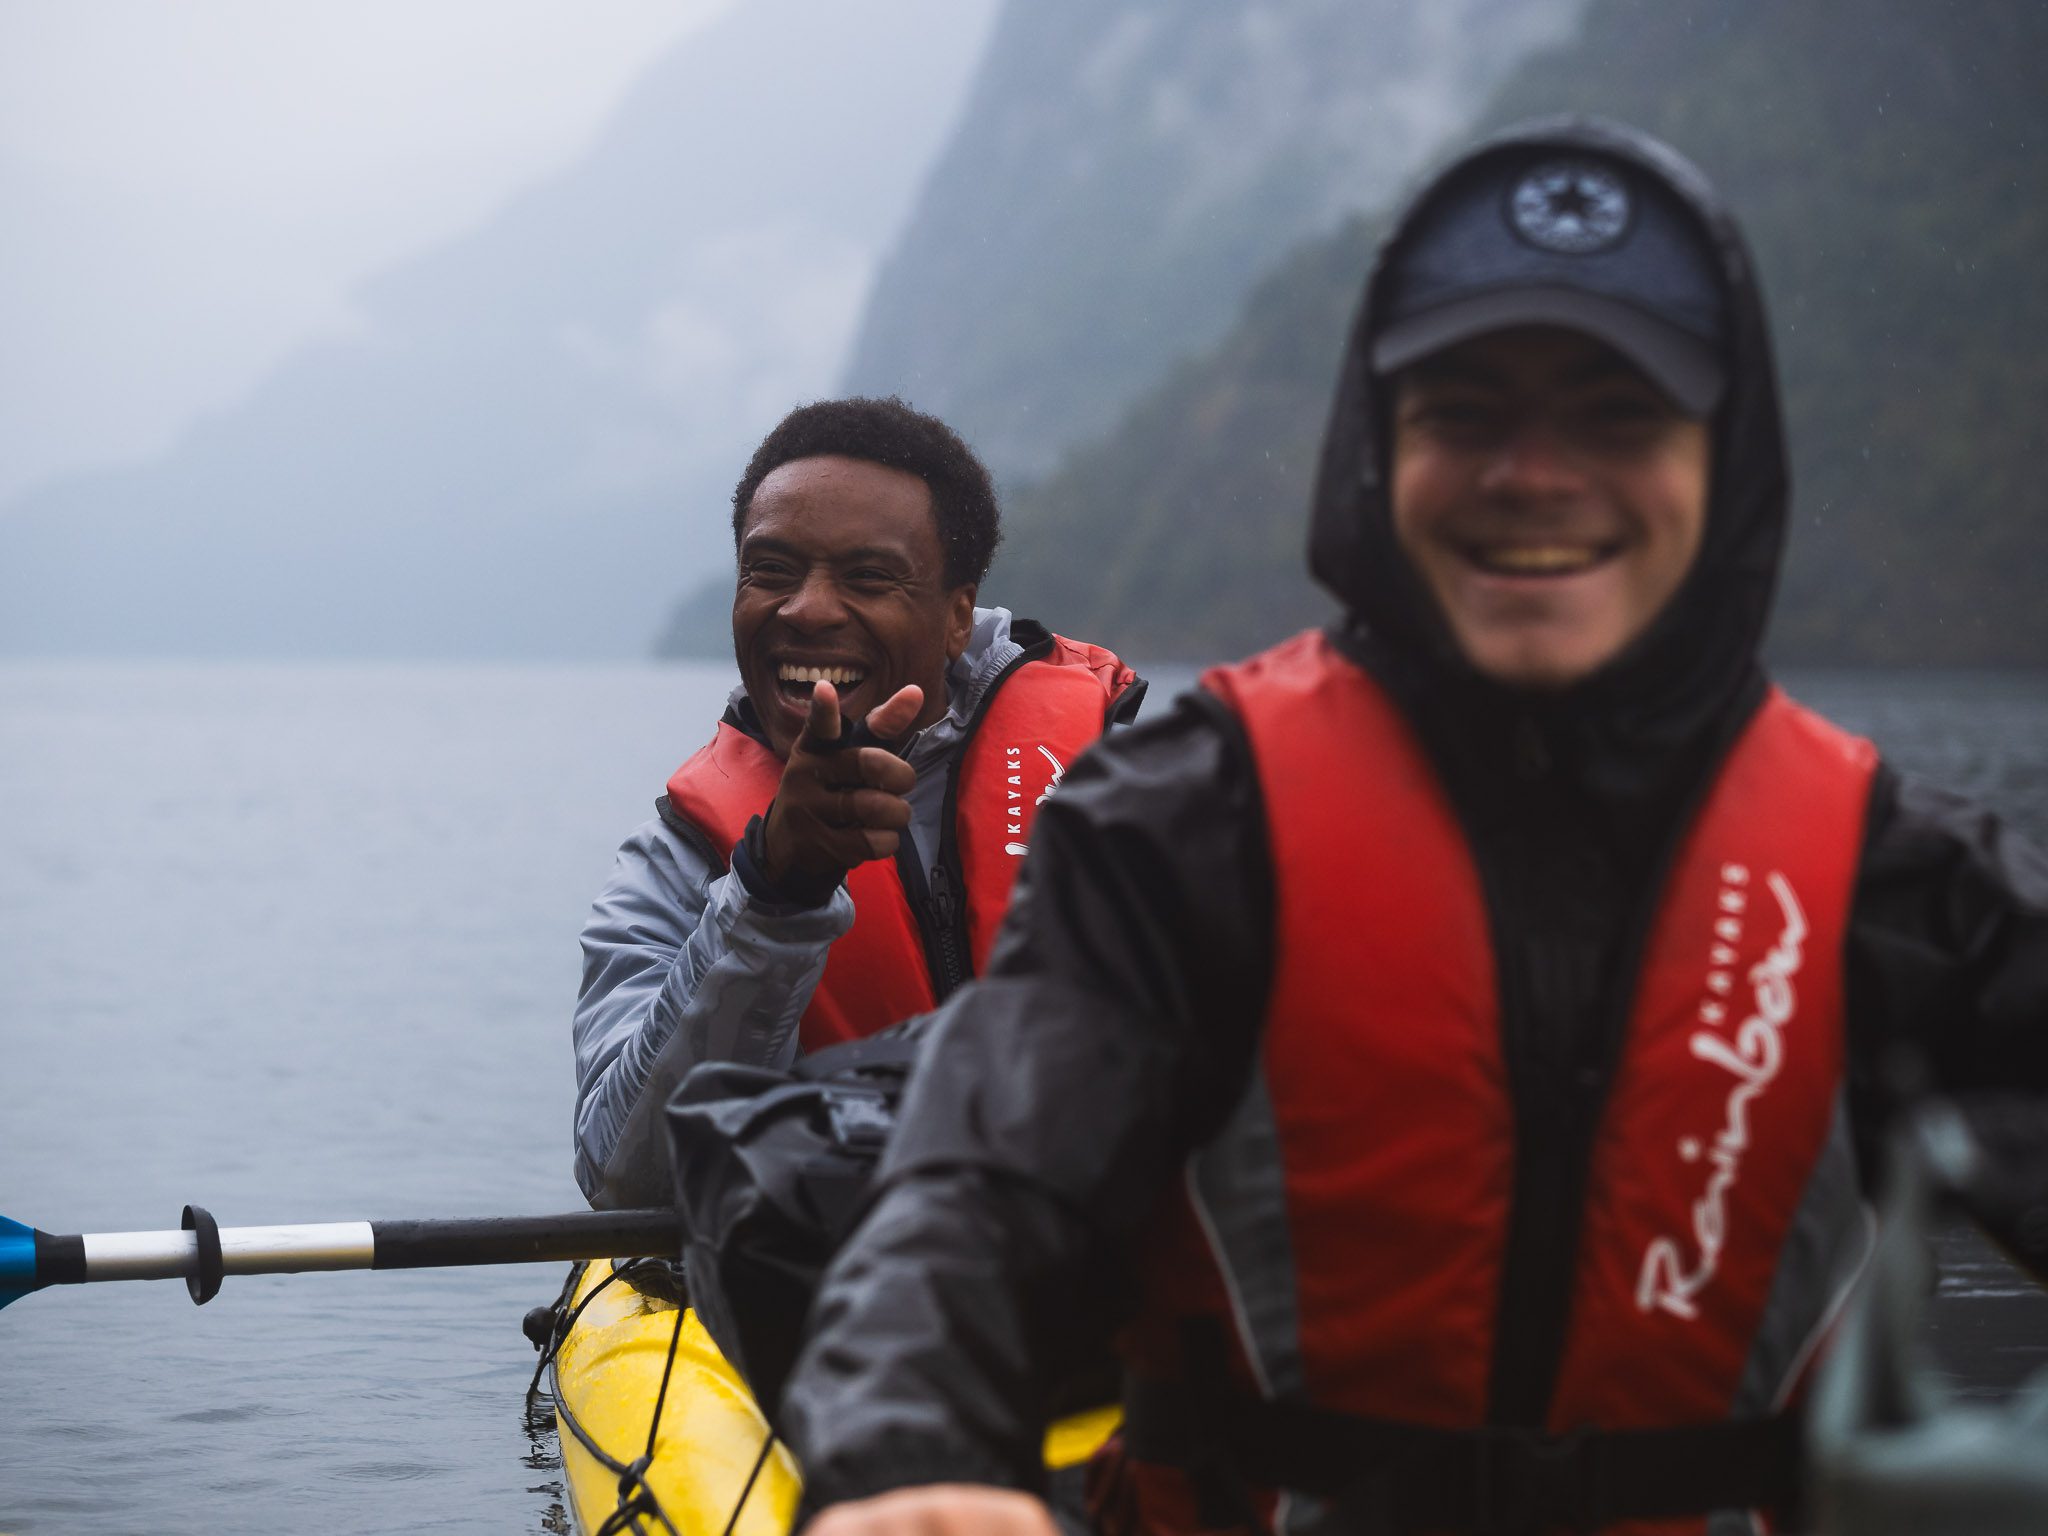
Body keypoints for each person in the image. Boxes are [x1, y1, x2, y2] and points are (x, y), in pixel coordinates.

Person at [777, 119, 2048, 1536]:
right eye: (1463, 410)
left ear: (1725, 458)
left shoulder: (1893, 877)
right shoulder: (1179, 829)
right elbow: (970, 1203)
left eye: (1618, 411)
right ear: (1377, 452)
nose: (1534, 472)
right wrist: (906, 1459)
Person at [572, 397, 1143, 1209]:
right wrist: (776, 892)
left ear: (956, 617)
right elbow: (626, 1181)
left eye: (868, 578)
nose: (806, 609)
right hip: (827, 1300)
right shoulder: (676, 861)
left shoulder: (1130, 785)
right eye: (770, 570)